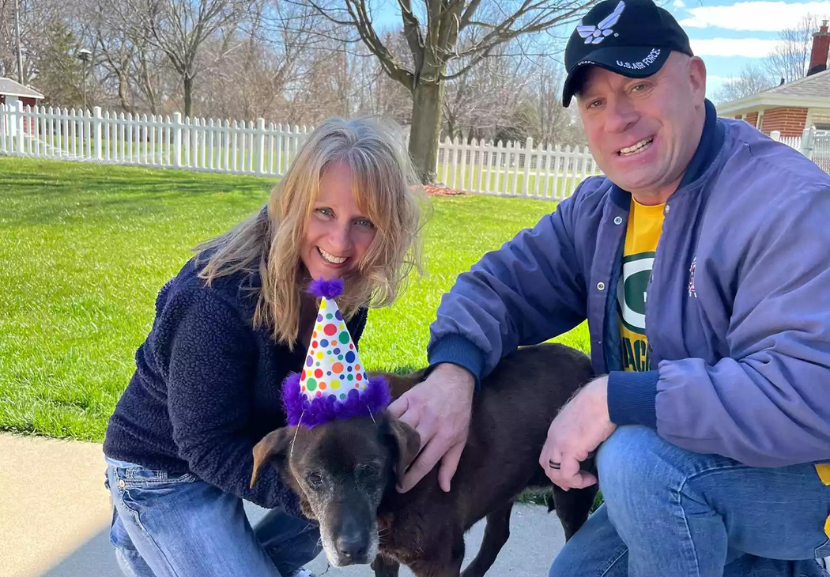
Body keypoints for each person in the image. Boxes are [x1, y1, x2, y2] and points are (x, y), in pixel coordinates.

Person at [387, 1, 830, 575]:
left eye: (640, 85)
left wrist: (616, 397)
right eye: (595, 100)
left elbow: (812, 391)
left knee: (637, 458)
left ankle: (776, 559)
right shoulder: (599, 213)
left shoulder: (782, 203)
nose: (617, 117)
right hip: (678, 472)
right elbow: (495, 287)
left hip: (803, 484)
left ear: (695, 80)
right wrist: (453, 374)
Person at [102, 116, 424, 577]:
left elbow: (322, 416)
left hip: (248, 438)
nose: (340, 242)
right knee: (328, 499)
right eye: (324, 212)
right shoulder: (213, 302)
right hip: (162, 468)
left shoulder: (345, 291)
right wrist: (320, 499)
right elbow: (204, 445)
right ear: (291, 204)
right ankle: (142, 533)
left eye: (364, 222)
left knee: (360, 488)